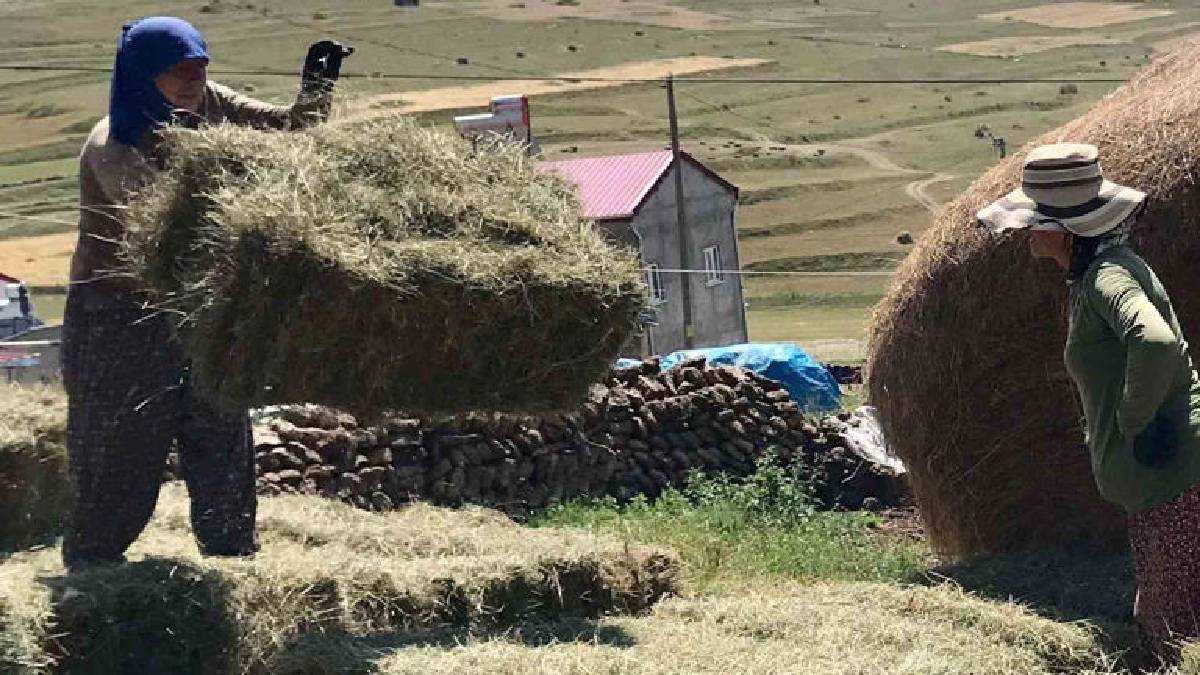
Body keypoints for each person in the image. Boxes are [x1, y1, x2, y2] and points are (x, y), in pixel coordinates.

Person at [61, 16, 351, 567]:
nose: (193, 78)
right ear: (144, 76)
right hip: (120, 317)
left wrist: (317, 88)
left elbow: (290, 130)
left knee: (221, 435)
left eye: (200, 65)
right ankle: (93, 568)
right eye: (179, 70)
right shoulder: (114, 148)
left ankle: (231, 560)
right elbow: (171, 231)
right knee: (124, 449)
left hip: (196, 311)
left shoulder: (207, 100)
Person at [979, 143, 1200, 662]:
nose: (1028, 231)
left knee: (1176, 632)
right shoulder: (1096, 274)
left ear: (1065, 228)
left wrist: (1133, 421)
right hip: (1160, 486)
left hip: (1176, 477)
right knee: (1166, 619)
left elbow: (1155, 341)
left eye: (1035, 219)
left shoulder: (1107, 276)